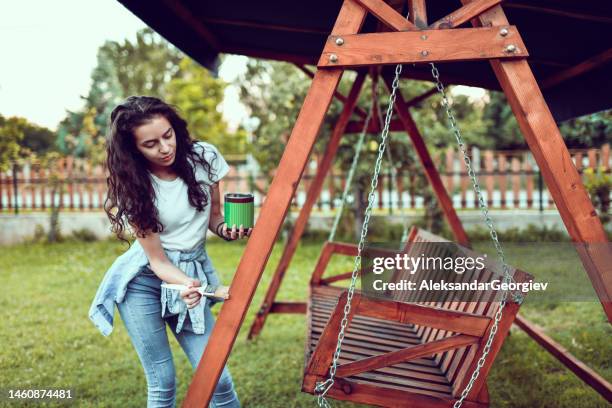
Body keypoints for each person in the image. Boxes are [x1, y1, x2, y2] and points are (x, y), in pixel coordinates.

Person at [89, 96, 249, 407]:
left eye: (168, 135)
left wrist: (227, 230)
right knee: (162, 383)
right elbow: (157, 260)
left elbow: (214, 217)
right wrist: (190, 285)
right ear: (134, 148)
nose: (164, 148)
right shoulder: (133, 186)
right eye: (150, 144)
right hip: (143, 283)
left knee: (218, 378)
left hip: (191, 270)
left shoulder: (203, 158)